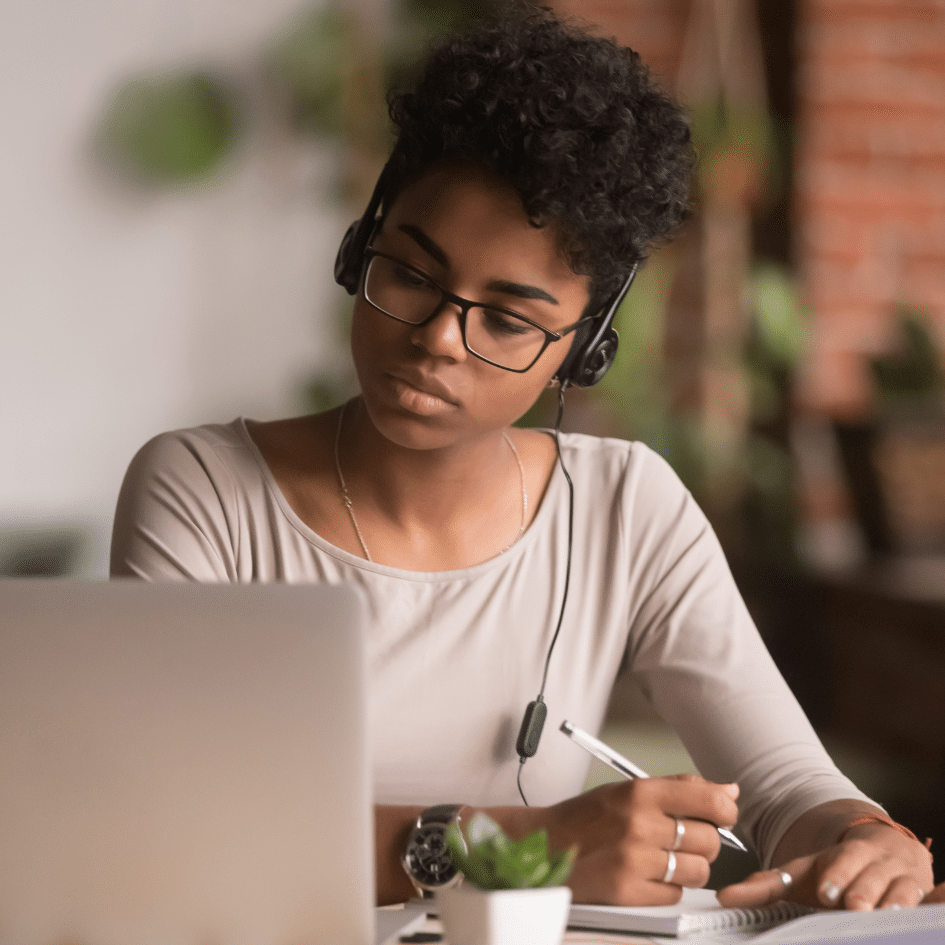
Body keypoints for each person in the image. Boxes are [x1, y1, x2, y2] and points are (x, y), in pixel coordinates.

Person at [111, 6, 937, 911]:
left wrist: (864, 838)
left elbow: (784, 784)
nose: (436, 339)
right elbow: (167, 825)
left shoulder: (628, 507)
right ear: (360, 250)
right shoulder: (202, 491)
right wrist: (520, 843)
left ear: (583, 350)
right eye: (411, 275)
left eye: (506, 319)